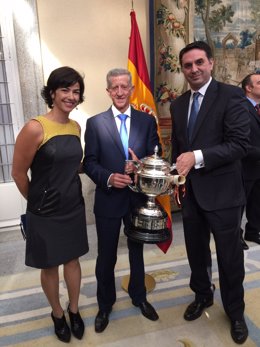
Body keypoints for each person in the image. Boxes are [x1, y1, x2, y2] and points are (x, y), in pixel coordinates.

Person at [170, 41, 250, 344]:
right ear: (183, 69)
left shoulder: (231, 96)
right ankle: (202, 295)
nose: (194, 69)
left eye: (199, 63)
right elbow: (178, 151)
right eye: (188, 65)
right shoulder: (178, 105)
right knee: (196, 253)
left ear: (211, 63)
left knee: (230, 258)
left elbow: (240, 144)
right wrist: (166, 171)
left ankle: (235, 311)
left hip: (225, 196)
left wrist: (197, 157)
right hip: (191, 197)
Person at [12, 66, 89, 343]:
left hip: (73, 206)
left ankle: (74, 309)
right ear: (52, 92)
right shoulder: (35, 127)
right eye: (65, 90)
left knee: (73, 259)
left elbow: (71, 165)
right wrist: (37, 202)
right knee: (50, 266)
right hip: (45, 211)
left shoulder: (75, 126)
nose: (71, 96)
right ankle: (57, 313)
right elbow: (18, 173)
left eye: (76, 91)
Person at [83, 68, 160, 333]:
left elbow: (154, 157)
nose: (119, 92)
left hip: (137, 198)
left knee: (137, 252)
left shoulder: (147, 121)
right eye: (114, 87)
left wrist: (141, 166)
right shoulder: (95, 123)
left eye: (124, 87)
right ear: (108, 91)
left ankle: (140, 297)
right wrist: (108, 177)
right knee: (106, 255)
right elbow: (89, 162)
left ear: (131, 90)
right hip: (107, 199)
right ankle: (105, 305)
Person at [240, 73, 260, 248]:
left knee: (257, 201)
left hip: (258, 165)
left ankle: (253, 231)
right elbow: (239, 140)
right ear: (249, 87)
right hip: (243, 165)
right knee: (240, 203)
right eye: (259, 83)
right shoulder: (240, 108)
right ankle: (236, 236)